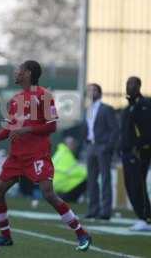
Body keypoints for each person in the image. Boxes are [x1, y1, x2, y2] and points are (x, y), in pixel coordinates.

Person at [0, 60, 91, 251]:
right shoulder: (16, 98)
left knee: (48, 194)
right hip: (16, 156)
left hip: (36, 155)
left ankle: (82, 233)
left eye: (19, 70)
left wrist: (27, 129)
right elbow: (11, 127)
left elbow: (52, 125)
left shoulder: (44, 95)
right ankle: (6, 236)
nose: (15, 73)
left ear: (28, 73)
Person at [120, 76, 151, 231]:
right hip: (126, 152)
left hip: (138, 153)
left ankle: (147, 218)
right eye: (127, 83)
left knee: (138, 185)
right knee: (130, 185)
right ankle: (141, 217)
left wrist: (140, 147)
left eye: (132, 84)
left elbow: (147, 130)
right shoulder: (128, 108)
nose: (129, 86)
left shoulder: (144, 105)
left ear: (139, 86)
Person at [84, 83, 118, 220]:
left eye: (94, 90)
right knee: (91, 180)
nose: (91, 92)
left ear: (99, 93)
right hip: (91, 146)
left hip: (102, 147)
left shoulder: (106, 109)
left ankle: (105, 211)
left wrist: (108, 146)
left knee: (105, 179)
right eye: (89, 90)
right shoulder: (87, 109)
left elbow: (115, 129)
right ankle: (93, 210)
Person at [53, 137, 87, 203]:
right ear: (67, 145)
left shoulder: (59, 152)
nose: (74, 146)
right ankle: (76, 200)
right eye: (72, 144)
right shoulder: (67, 155)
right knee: (87, 179)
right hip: (63, 188)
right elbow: (78, 172)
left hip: (54, 188)